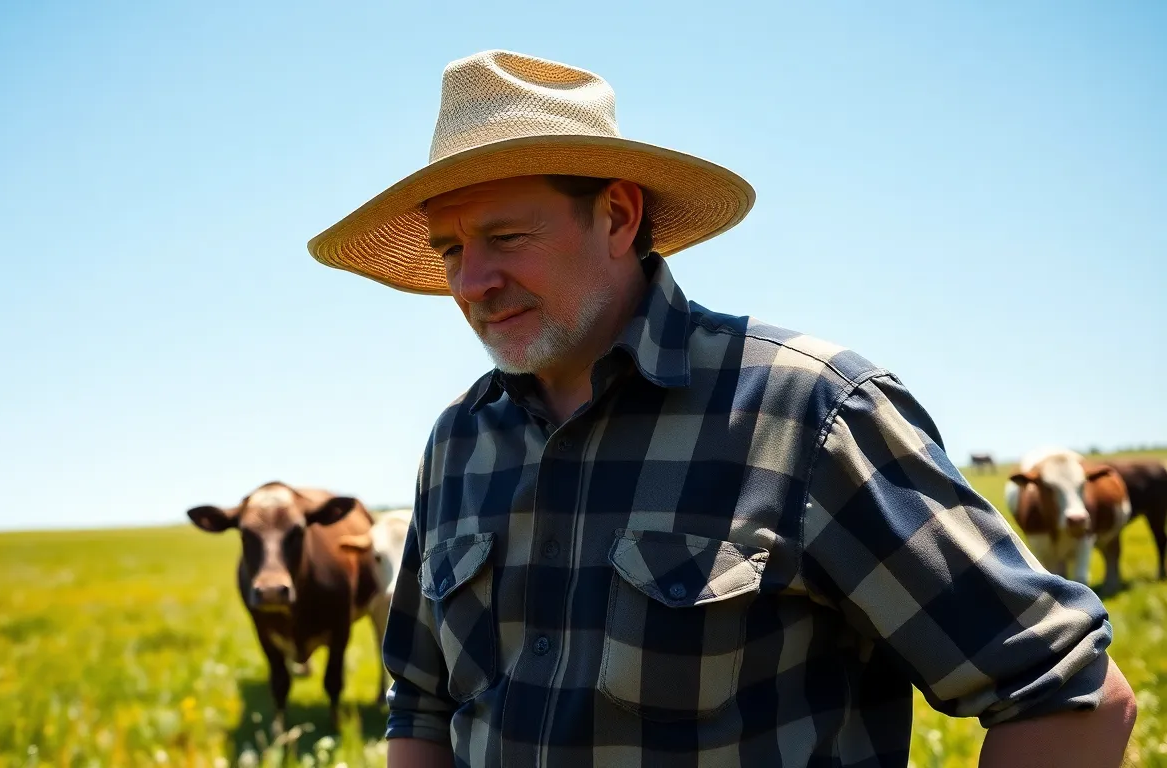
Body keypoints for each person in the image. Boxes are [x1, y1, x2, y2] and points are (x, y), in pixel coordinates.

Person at [306, 50, 1136, 768]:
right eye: (451, 249)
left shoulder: (809, 412)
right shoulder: (459, 442)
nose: (471, 283)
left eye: (506, 238)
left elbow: (1069, 692)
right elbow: (422, 703)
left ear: (618, 216)